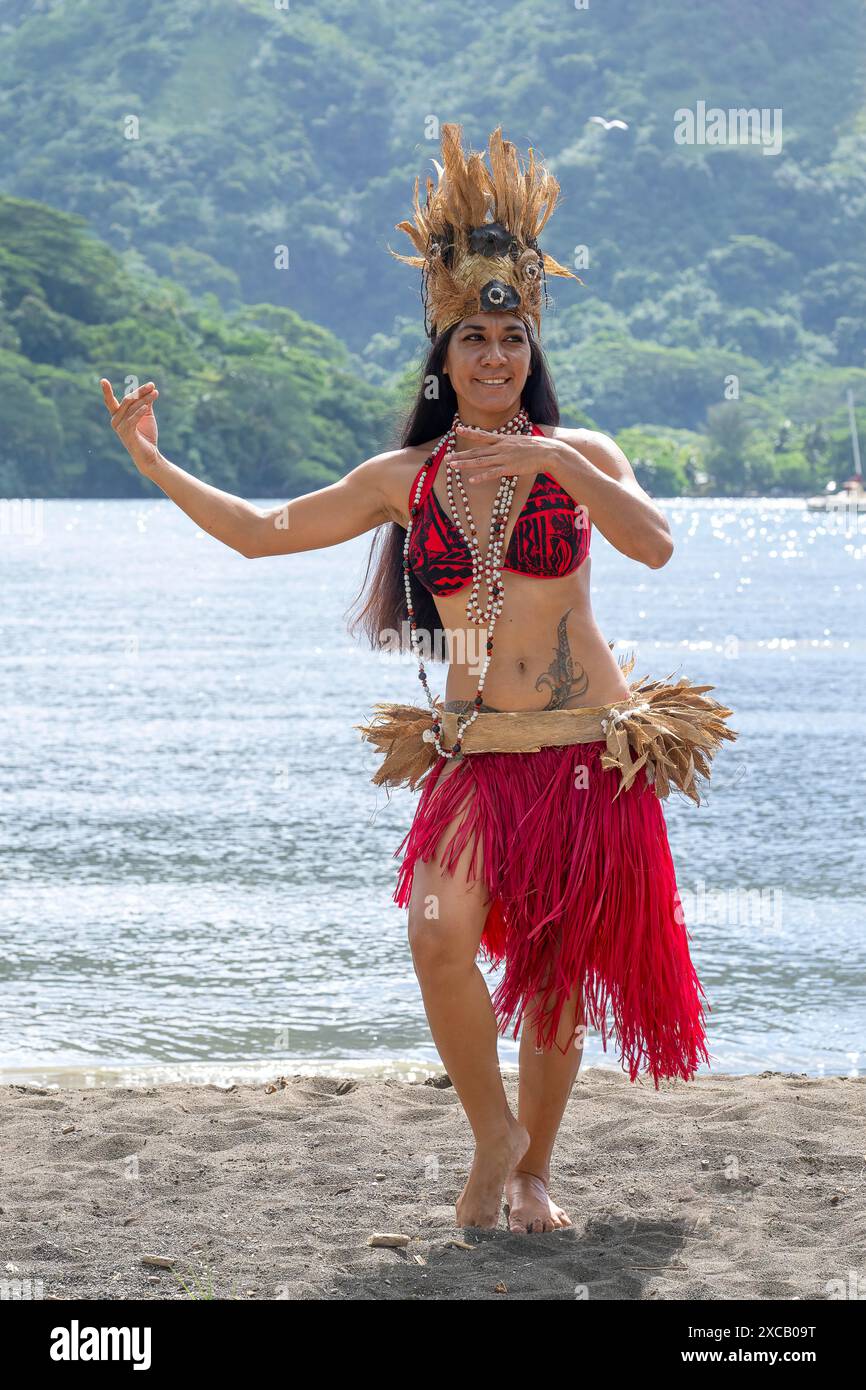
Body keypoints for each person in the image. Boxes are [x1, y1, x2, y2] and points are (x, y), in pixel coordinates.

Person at [100, 123, 737, 1237]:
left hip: (589, 752)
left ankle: (534, 1171)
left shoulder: (582, 453)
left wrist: (554, 461)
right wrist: (153, 460)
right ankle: (491, 1133)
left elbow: (655, 545)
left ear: (531, 349)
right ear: (441, 357)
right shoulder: (403, 480)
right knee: (438, 935)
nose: (493, 358)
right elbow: (260, 531)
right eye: (473, 340)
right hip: (475, 755)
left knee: (552, 979)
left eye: (511, 339)